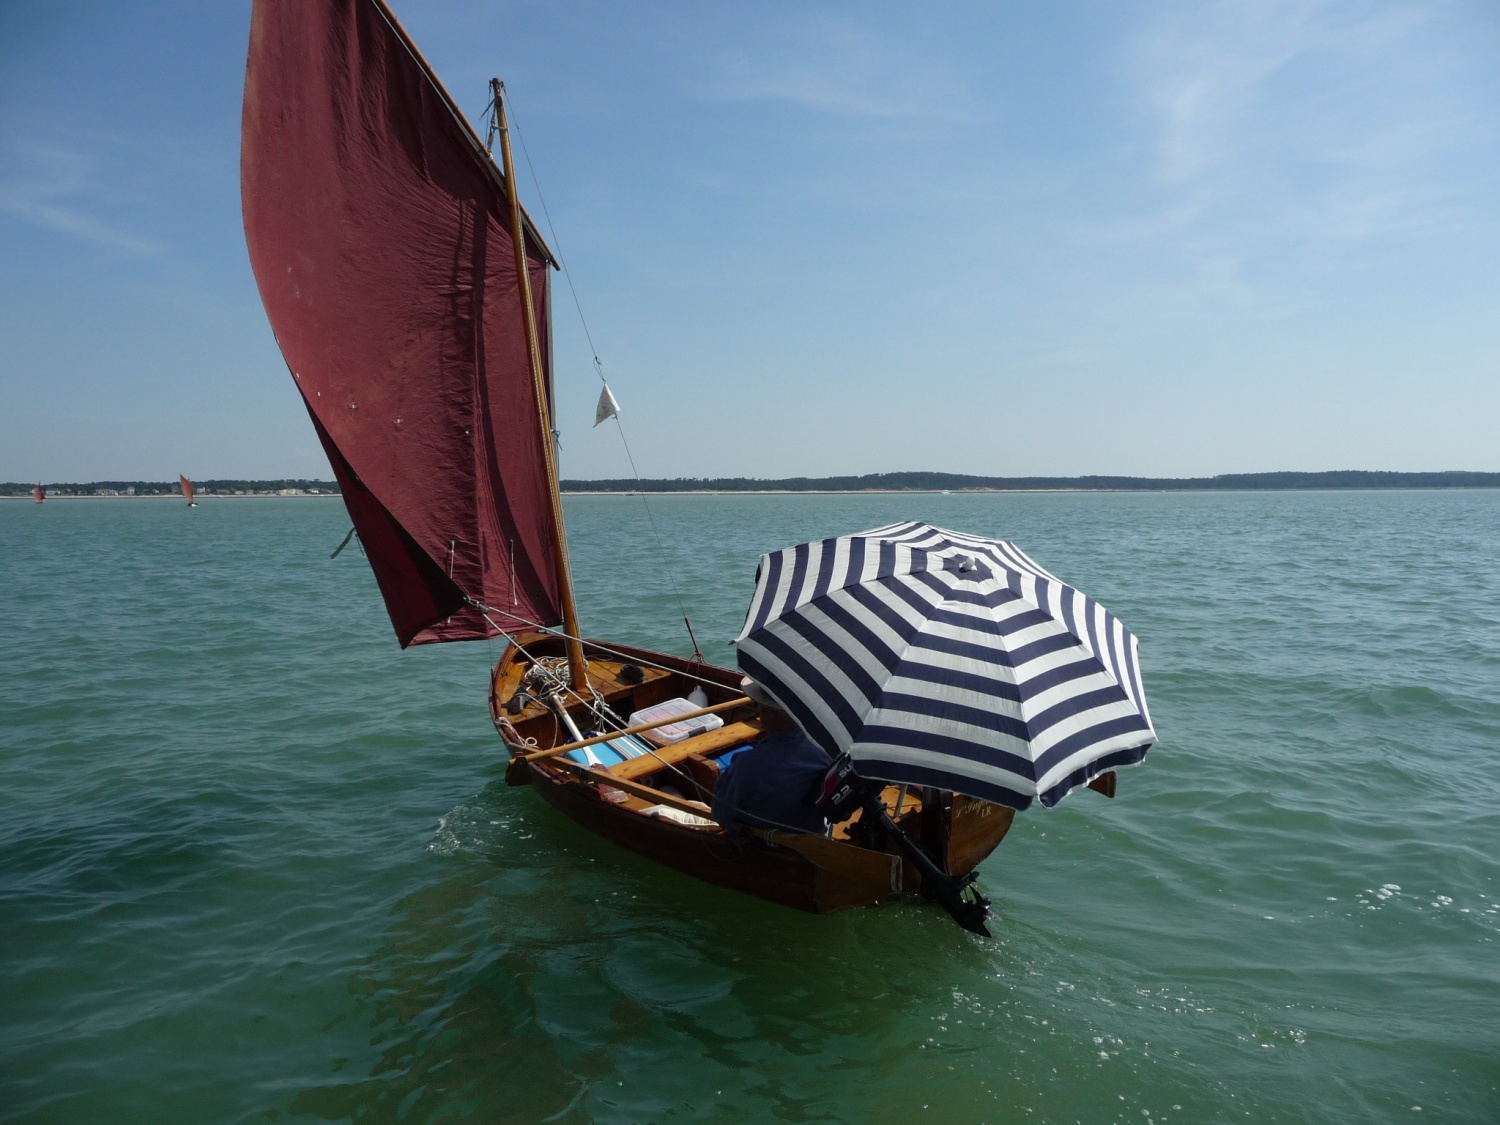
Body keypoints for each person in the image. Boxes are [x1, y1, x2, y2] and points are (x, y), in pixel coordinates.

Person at [711, 678, 830, 835]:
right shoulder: (827, 749)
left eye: (760, 706)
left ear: (770, 713)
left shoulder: (747, 766)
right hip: (816, 836)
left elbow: (720, 815)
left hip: (760, 846)